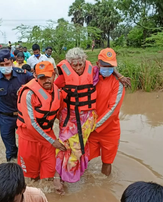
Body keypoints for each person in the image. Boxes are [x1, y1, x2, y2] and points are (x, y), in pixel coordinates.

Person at [52, 47, 98, 194]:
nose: (78, 68)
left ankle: (75, 172)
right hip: (68, 118)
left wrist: (119, 75)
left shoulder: (93, 73)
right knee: (63, 144)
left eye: (80, 64)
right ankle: (58, 176)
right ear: (69, 64)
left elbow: (107, 70)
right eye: (75, 65)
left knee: (79, 147)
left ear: (84, 62)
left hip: (86, 118)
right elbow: (51, 88)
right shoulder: (63, 77)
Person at [17, 61, 65, 182]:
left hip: (48, 136)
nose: (47, 80)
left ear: (54, 75)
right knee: (32, 178)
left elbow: (60, 115)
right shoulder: (28, 94)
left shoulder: (58, 92)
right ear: (35, 77)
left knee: (49, 175)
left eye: (49, 76)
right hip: (29, 140)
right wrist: (52, 141)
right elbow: (31, 124)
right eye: (42, 77)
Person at [0, 49, 34, 162]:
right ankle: (13, 173)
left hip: (23, 117)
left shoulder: (24, 76)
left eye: (7, 64)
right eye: (1, 65)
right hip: (5, 118)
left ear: (12, 61)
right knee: (10, 151)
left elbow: (39, 86)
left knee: (28, 148)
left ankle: (29, 174)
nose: (5, 67)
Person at [88, 48, 129, 176]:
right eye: (104, 65)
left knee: (107, 162)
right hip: (90, 130)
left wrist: (92, 126)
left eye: (111, 66)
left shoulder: (118, 84)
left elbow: (112, 111)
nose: (107, 68)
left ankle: (105, 187)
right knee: (84, 159)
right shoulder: (90, 77)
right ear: (97, 63)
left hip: (109, 131)